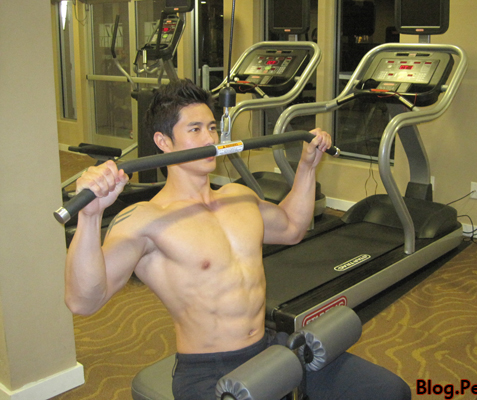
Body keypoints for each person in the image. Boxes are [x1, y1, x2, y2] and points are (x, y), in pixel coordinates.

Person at [65, 79, 411, 400]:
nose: (209, 139)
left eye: (212, 128)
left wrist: (307, 167)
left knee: (389, 391)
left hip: (270, 348)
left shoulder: (238, 196)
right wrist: (90, 216)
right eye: (195, 129)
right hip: (208, 371)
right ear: (163, 142)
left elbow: (292, 227)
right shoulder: (146, 220)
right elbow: (83, 301)